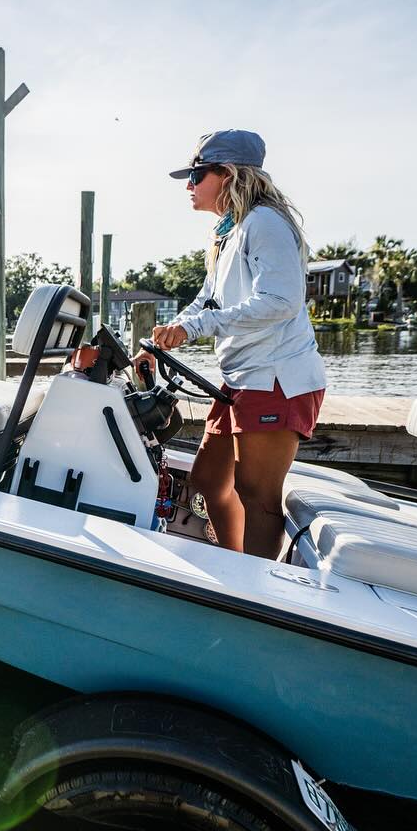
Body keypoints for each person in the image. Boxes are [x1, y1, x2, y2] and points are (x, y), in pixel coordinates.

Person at [138, 130, 326, 558]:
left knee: (257, 496)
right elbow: (206, 299)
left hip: (276, 379)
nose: (189, 185)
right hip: (242, 379)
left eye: (197, 175)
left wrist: (197, 327)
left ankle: (256, 589)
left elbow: (280, 301)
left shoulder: (264, 222)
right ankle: (233, 562)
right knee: (207, 480)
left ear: (228, 174)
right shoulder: (229, 232)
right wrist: (159, 341)